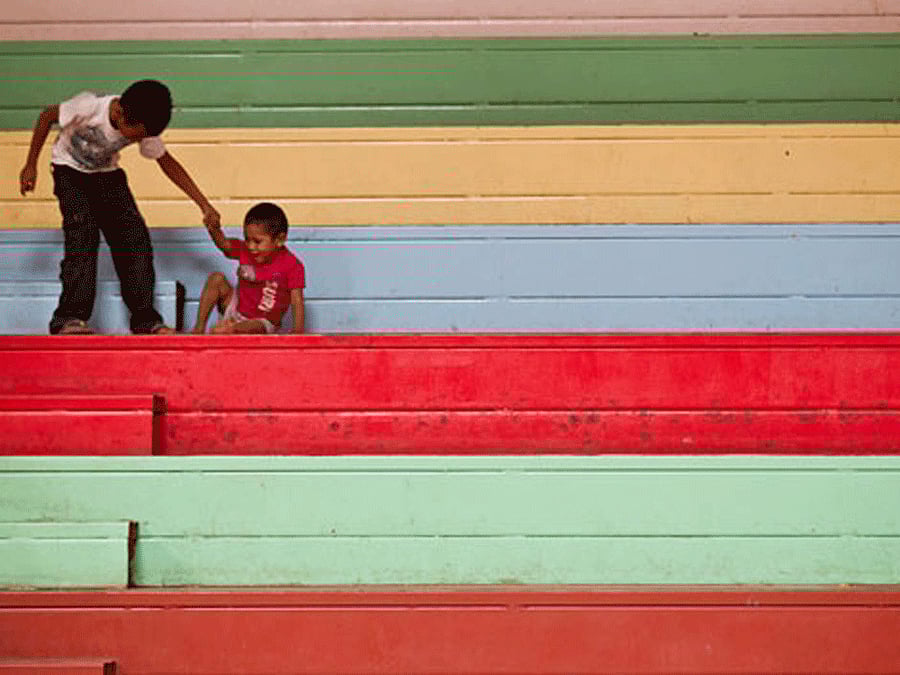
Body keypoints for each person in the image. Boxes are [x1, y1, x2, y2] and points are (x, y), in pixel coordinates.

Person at [19, 79, 220, 335]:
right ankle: (69, 317)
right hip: (69, 171)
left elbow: (167, 163)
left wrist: (203, 204)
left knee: (134, 240)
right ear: (118, 113)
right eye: (135, 135)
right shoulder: (89, 106)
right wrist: (30, 165)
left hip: (106, 175)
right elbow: (47, 116)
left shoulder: (140, 122)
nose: (138, 141)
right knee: (83, 237)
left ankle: (145, 319)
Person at [193, 202, 305, 335]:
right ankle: (198, 330)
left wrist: (297, 331)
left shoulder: (292, 265)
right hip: (236, 310)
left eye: (257, 242)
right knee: (216, 279)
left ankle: (229, 330)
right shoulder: (244, 250)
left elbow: (297, 300)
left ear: (279, 240)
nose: (251, 247)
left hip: (262, 321)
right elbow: (225, 245)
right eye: (247, 239)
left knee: (255, 325)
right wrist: (214, 229)